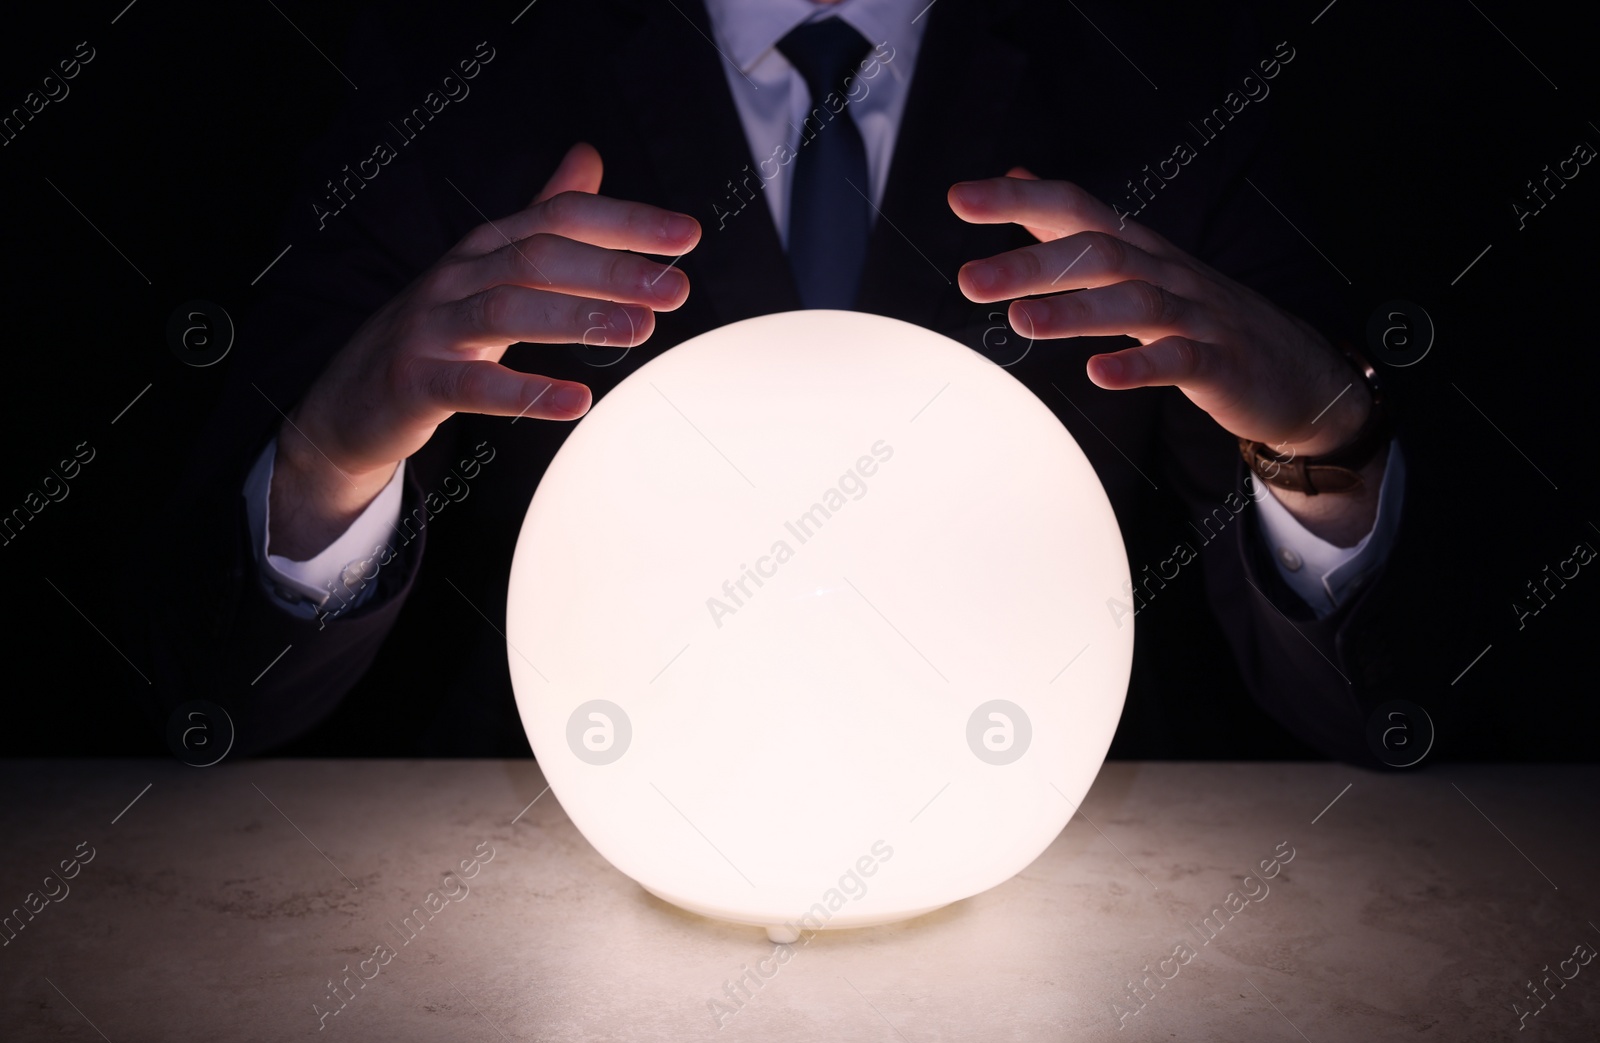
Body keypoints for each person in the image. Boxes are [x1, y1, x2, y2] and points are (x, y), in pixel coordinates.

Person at [129, 0, 1434, 764]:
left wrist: (1330, 454)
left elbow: (1394, 705)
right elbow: (209, 689)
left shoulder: (1171, 70)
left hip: (1029, 865)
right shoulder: (466, 67)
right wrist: (325, 471)